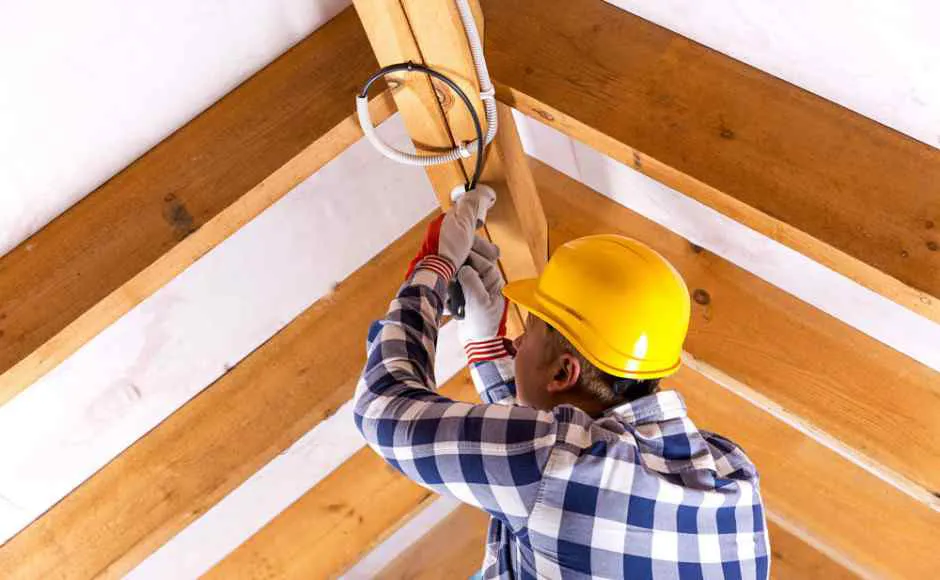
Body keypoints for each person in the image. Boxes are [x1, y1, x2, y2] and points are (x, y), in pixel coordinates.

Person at [354, 186, 769, 579]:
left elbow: (381, 408)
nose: (517, 340)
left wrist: (434, 267)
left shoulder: (555, 464)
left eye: (529, 329)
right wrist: (486, 348)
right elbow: (558, 463)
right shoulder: (730, 472)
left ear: (562, 373)